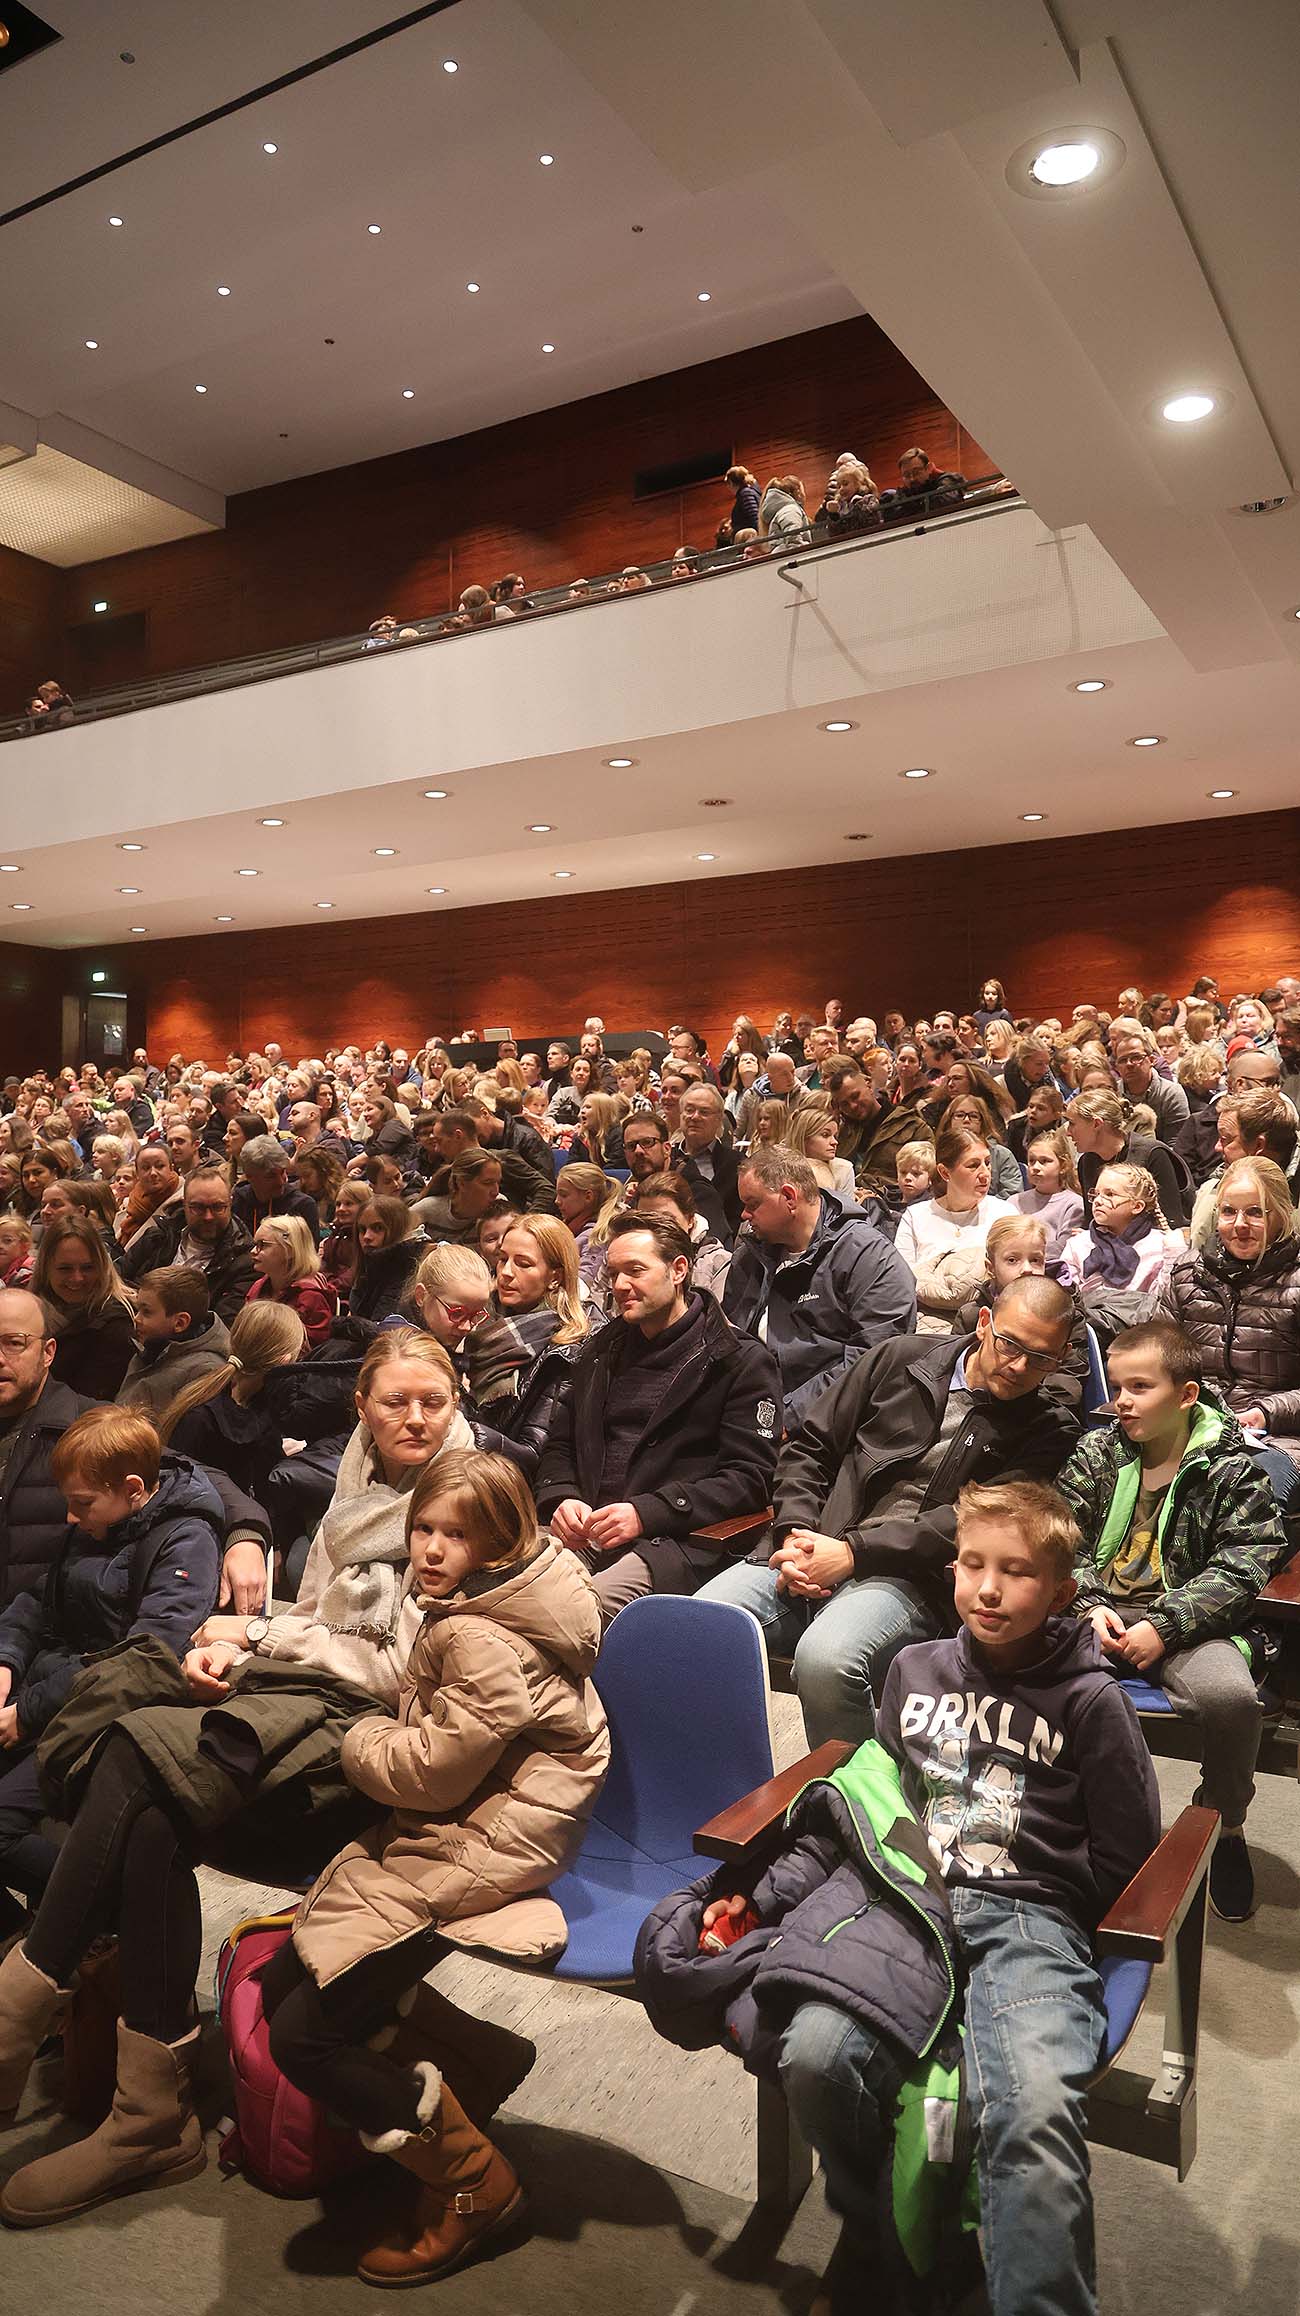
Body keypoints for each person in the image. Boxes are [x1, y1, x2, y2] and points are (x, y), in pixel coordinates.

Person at [0, 1332, 481, 2224]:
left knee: (143, 1757)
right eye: (395, 1401)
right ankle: (148, 2116)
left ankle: (27, 2007)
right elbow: (323, 1617)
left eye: (435, 1401)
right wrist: (248, 1636)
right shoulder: (357, 1483)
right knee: (148, 1798)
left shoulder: (467, 1497)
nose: (417, 1418)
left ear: (457, 1403)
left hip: (391, 1752)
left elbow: (404, 1669)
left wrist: (256, 1636)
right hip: (311, 1706)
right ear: (361, 1409)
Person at [688, 1480, 1159, 2316]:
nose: (987, 1589)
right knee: (816, 2058)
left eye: (1015, 1572)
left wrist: (1062, 1918)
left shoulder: (1093, 1702)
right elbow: (873, 1806)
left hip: (1029, 1923)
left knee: (1030, 2111)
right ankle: (884, 2234)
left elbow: (1126, 1857)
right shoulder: (913, 1669)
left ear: (1061, 1592)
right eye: (972, 1565)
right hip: (906, 1904)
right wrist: (765, 1892)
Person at [260, 1450, 609, 2286]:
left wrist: (359, 1741)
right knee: (288, 1976)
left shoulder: (479, 1633)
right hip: (467, 1820)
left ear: (499, 1543)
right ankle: (477, 2065)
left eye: (456, 1535)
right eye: (423, 1528)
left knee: (304, 2035)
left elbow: (434, 1771)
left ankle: (476, 2184)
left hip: (489, 1838)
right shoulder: (492, 1602)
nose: (430, 1549)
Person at [695, 1276, 1079, 1744]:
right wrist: (794, 1532)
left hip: (914, 1576)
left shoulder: (1049, 1428)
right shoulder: (899, 1359)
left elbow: (975, 1524)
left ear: (1061, 1358)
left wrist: (852, 1553)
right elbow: (811, 1447)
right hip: (814, 1541)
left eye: (1041, 1358)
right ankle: (727, 1779)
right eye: (1009, 1344)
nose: (1019, 1366)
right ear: (984, 1323)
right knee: (696, 1624)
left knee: (827, 1659)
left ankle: (851, 1790)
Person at [1060, 1321, 1289, 1922]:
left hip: (1190, 1620)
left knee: (1231, 1699)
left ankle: (1224, 1823)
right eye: (1117, 1386)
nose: (1122, 1401)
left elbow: (1244, 1564)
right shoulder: (1097, 1452)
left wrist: (1166, 1625)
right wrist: (1088, 1604)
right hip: (1097, 1611)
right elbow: (1059, 1540)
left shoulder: (1234, 1467)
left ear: (1186, 1395)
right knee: (1012, 1664)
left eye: (1140, 1387)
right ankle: (1056, 1816)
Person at [0, 1406, 225, 1915]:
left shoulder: (185, 1540)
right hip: (51, 1695)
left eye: (81, 1503)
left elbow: (144, 1658)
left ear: (133, 1489)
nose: (70, 1517)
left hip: (106, 1717)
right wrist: (6, 1660)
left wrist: (28, 1713)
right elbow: (38, 1600)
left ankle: (115, 1914)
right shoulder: (100, 1523)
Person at [536, 1215, 781, 1619]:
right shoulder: (600, 1349)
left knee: (576, 1612)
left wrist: (646, 1513)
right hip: (588, 1531)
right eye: (613, 1273)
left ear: (679, 1269)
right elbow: (560, 1444)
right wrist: (562, 1496)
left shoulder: (739, 1361)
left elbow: (749, 1479)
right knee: (497, 1588)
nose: (619, 1285)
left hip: (673, 1542)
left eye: (635, 1271)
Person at [725, 1147, 916, 1431]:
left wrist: (786, 1418)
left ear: (789, 1198)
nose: (744, 1215)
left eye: (752, 1204)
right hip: (748, 1409)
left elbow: (874, 1361)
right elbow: (731, 1339)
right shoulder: (750, 1255)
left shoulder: (868, 1255)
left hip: (825, 1425)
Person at [1155, 1157, 1300, 1464]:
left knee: (1238, 1483)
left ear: (1282, 1214)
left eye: (1256, 1212)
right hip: (1192, 1422)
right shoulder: (1186, 1273)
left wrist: (1266, 1413)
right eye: (1229, 1211)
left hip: (1279, 1437)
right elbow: (1156, 1358)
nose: (1240, 1225)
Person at [894, 1127, 1016, 1328]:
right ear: (944, 1172)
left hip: (986, 1321)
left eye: (987, 1163)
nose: (985, 1173)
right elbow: (902, 1280)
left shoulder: (1004, 1213)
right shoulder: (916, 1215)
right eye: (973, 1165)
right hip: (924, 1321)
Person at [118, 1164, 256, 1323]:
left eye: (218, 1207)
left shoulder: (244, 1260)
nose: (208, 1216)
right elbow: (116, 1278)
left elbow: (221, 1323)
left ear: (230, 1203)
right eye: (198, 1207)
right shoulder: (159, 1236)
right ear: (184, 1204)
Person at [30, 1216, 136, 1402]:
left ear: (102, 1266)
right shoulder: (28, 1311)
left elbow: (89, 1406)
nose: (77, 1278)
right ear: (45, 1268)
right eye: (65, 1269)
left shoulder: (117, 1327)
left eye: (87, 1268)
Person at [1067, 1088, 1193, 1230]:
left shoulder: (1153, 1155)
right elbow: (1092, 1220)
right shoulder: (1087, 1162)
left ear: (1096, 1124)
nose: (1068, 1133)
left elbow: (1172, 1221)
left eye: (1072, 1123)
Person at [117, 1268, 231, 1418]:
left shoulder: (206, 1371)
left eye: (147, 1312)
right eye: (138, 1309)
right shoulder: (153, 1343)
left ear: (180, 1323)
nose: (136, 1319)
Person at [1061, 1164, 1180, 1303]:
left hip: (1143, 1315)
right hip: (1088, 1314)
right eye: (1097, 1194)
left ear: (1137, 1206)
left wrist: (1174, 1253)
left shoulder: (1159, 1246)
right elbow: (1064, 1296)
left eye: (1110, 1194)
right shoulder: (1079, 1244)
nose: (1098, 1201)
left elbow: (1165, 1298)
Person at [425, 1107, 555, 1215]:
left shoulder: (500, 1159)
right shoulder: (450, 1169)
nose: (437, 1149)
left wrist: (523, 1225)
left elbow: (546, 1190)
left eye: (439, 1141)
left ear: (458, 1135)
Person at [824, 1057, 923, 1197]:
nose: (853, 1106)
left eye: (855, 1096)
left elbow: (923, 1175)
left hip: (893, 1201)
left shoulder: (912, 1126)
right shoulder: (841, 1133)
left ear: (869, 1086)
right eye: (844, 1104)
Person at [628, 1171, 731, 1303]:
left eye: (667, 1219)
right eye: (645, 1220)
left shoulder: (718, 1263)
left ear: (690, 1219)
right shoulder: (623, 1260)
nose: (655, 1228)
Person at [336, 1198, 428, 1338]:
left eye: (377, 1228)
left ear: (398, 1230)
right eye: (362, 1230)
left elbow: (384, 1332)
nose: (366, 1237)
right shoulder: (368, 1266)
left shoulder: (409, 1270)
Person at [246, 1214, 338, 1350]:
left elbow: (314, 1352)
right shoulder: (258, 1287)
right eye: (255, 1244)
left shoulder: (311, 1297)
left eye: (262, 1245)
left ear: (289, 1250)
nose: (253, 1251)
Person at [670, 1083, 740, 1242]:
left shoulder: (737, 1165)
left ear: (719, 1119)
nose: (695, 1117)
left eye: (704, 1112)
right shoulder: (666, 1159)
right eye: (689, 1110)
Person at [1109, 1021, 1190, 1142]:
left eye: (1136, 1057)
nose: (1129, 1064)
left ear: (1152, 1060)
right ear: (1117, 1067)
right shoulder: (1113, 1095)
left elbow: (1176, 1143)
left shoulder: (1171, 1093)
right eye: (1123, 1060)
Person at [1014, 1127, 1086, 1264]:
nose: (1035, 1167)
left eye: (1044, 1161)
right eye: (1031, 1161)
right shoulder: (1015, 1201)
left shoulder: (1074, 1204)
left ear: (1063, 1166)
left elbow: (1063, 1246)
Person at [233, 1134, 320, 1242]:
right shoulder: (239, 1201)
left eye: (283, 1172)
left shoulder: (302, 1205)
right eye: (270, 1176)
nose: (281, 1181)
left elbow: (309, 1251)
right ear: (249, 1176)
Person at [411, 1151, 507, 1247]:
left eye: (498, 1183)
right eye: (487, 1183)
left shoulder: (500, 1208)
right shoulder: (426, 1211)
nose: (496, 1192)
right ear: (462, 1183)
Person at [553, 1163, 623, 1288]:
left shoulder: (596, 1236)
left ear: (588, 1197)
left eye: (563, 1195)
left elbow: (582, 1285)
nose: (557, 1201)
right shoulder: (567, 1228)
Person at [783, 1097, 859, 1201]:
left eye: (835, 1136)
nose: (834, 1142)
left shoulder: (843, 1169)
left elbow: (848, 1210)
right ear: (804, 1137)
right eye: (825, 1135)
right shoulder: (780, 1168)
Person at [882, 445, 965, 519]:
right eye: (906, 475)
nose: (912, 479)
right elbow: (893, 515)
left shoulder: (948, 480)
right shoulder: (902, 494)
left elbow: (944, 501)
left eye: (916, 472)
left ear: (928, 468)